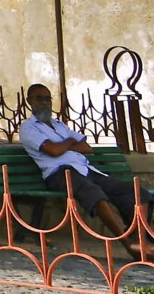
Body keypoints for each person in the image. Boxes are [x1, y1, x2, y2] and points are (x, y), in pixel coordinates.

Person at [18, 83, 151, 251]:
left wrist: (64, 145)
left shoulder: (59, 125)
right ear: (30, 101)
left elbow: (87, 148)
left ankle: (140, 239)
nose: (44, 103)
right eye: (39, 99)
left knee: (139, 193)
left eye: (47, 99)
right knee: (96, 195)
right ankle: (129, 245)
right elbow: (52, 150)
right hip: (60, 173)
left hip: (86, 170)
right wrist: (70, 142)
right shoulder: (28, 127)